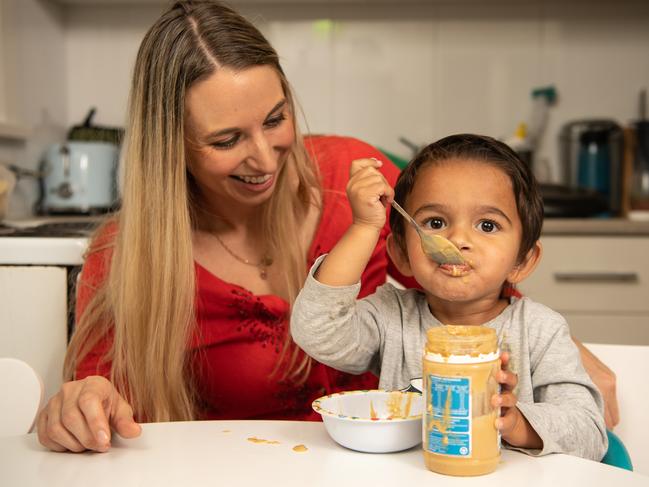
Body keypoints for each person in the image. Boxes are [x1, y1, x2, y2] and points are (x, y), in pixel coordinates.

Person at [36, 0, 617, 453]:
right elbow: (102, 404)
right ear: (172, 149)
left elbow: (464, 271)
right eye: (227, 139)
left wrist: (552, 350)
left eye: (275, 119)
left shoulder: (353, 176)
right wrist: (80, 407)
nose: (265, 158)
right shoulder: (124, 257)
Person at [291, 134, 608, 460]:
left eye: (487, 225)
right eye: (436, 222)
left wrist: (515, 423)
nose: (458, 238)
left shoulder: (540, 330)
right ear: (400, 253)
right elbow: (317, 331)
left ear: (522, 261)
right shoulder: (391, 317)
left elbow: (589, 433)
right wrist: (364, 226)